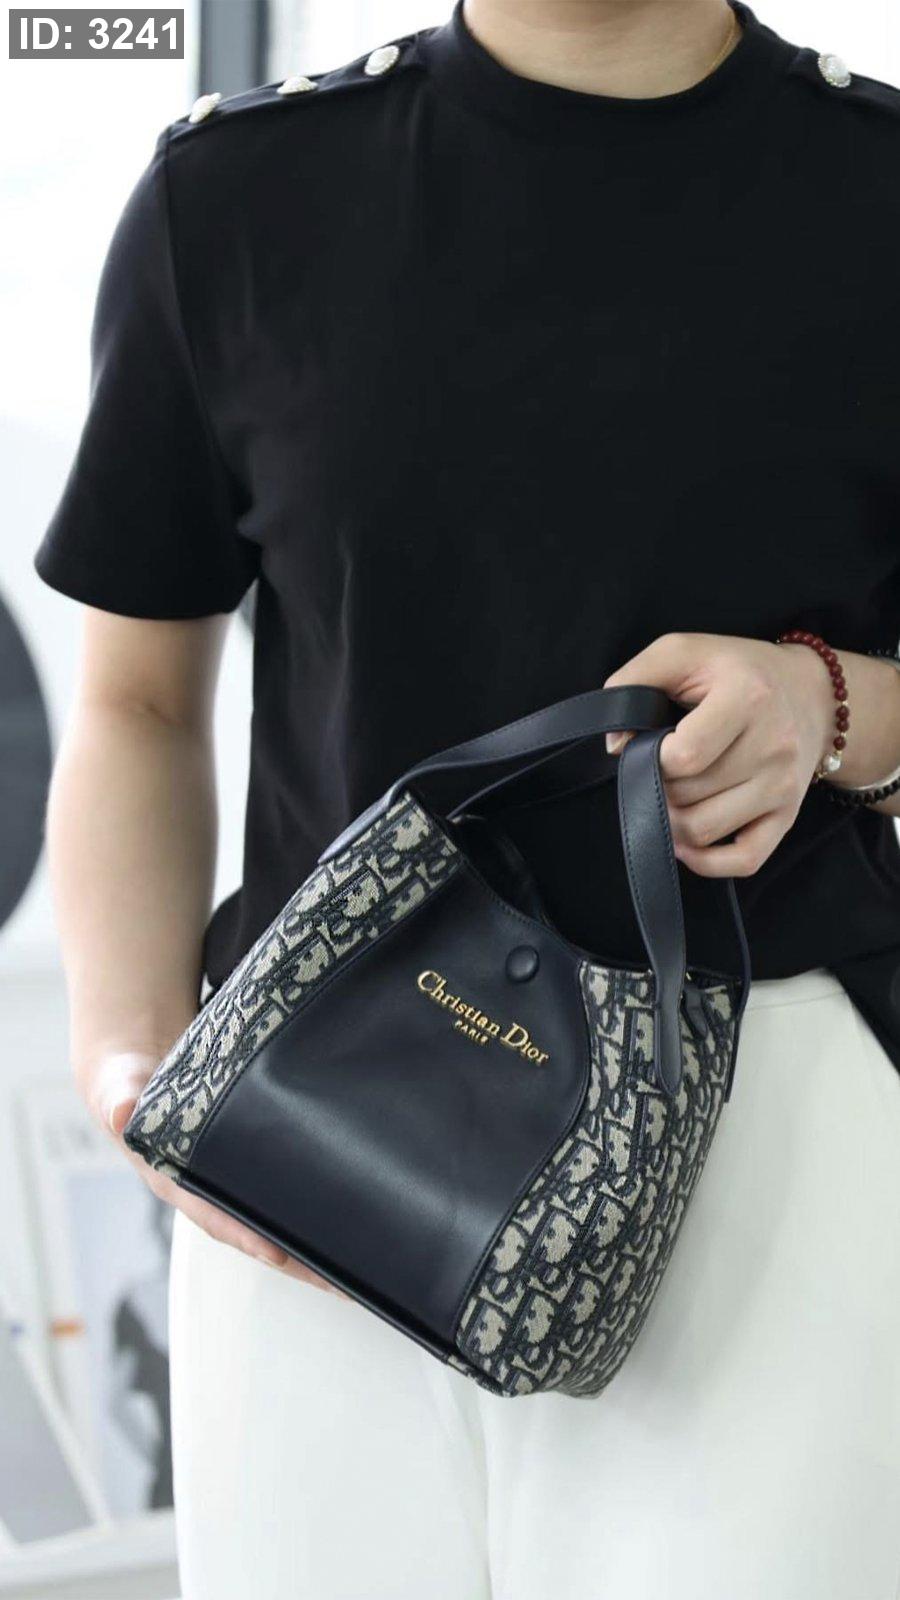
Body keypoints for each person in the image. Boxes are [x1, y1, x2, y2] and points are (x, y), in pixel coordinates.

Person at [33, 1, 900, 1595]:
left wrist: (831, 705)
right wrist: (131, 1062)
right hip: (318, 1117)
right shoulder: (237, 197)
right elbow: (137, 701)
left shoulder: (877, 192)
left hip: (771, 1121)